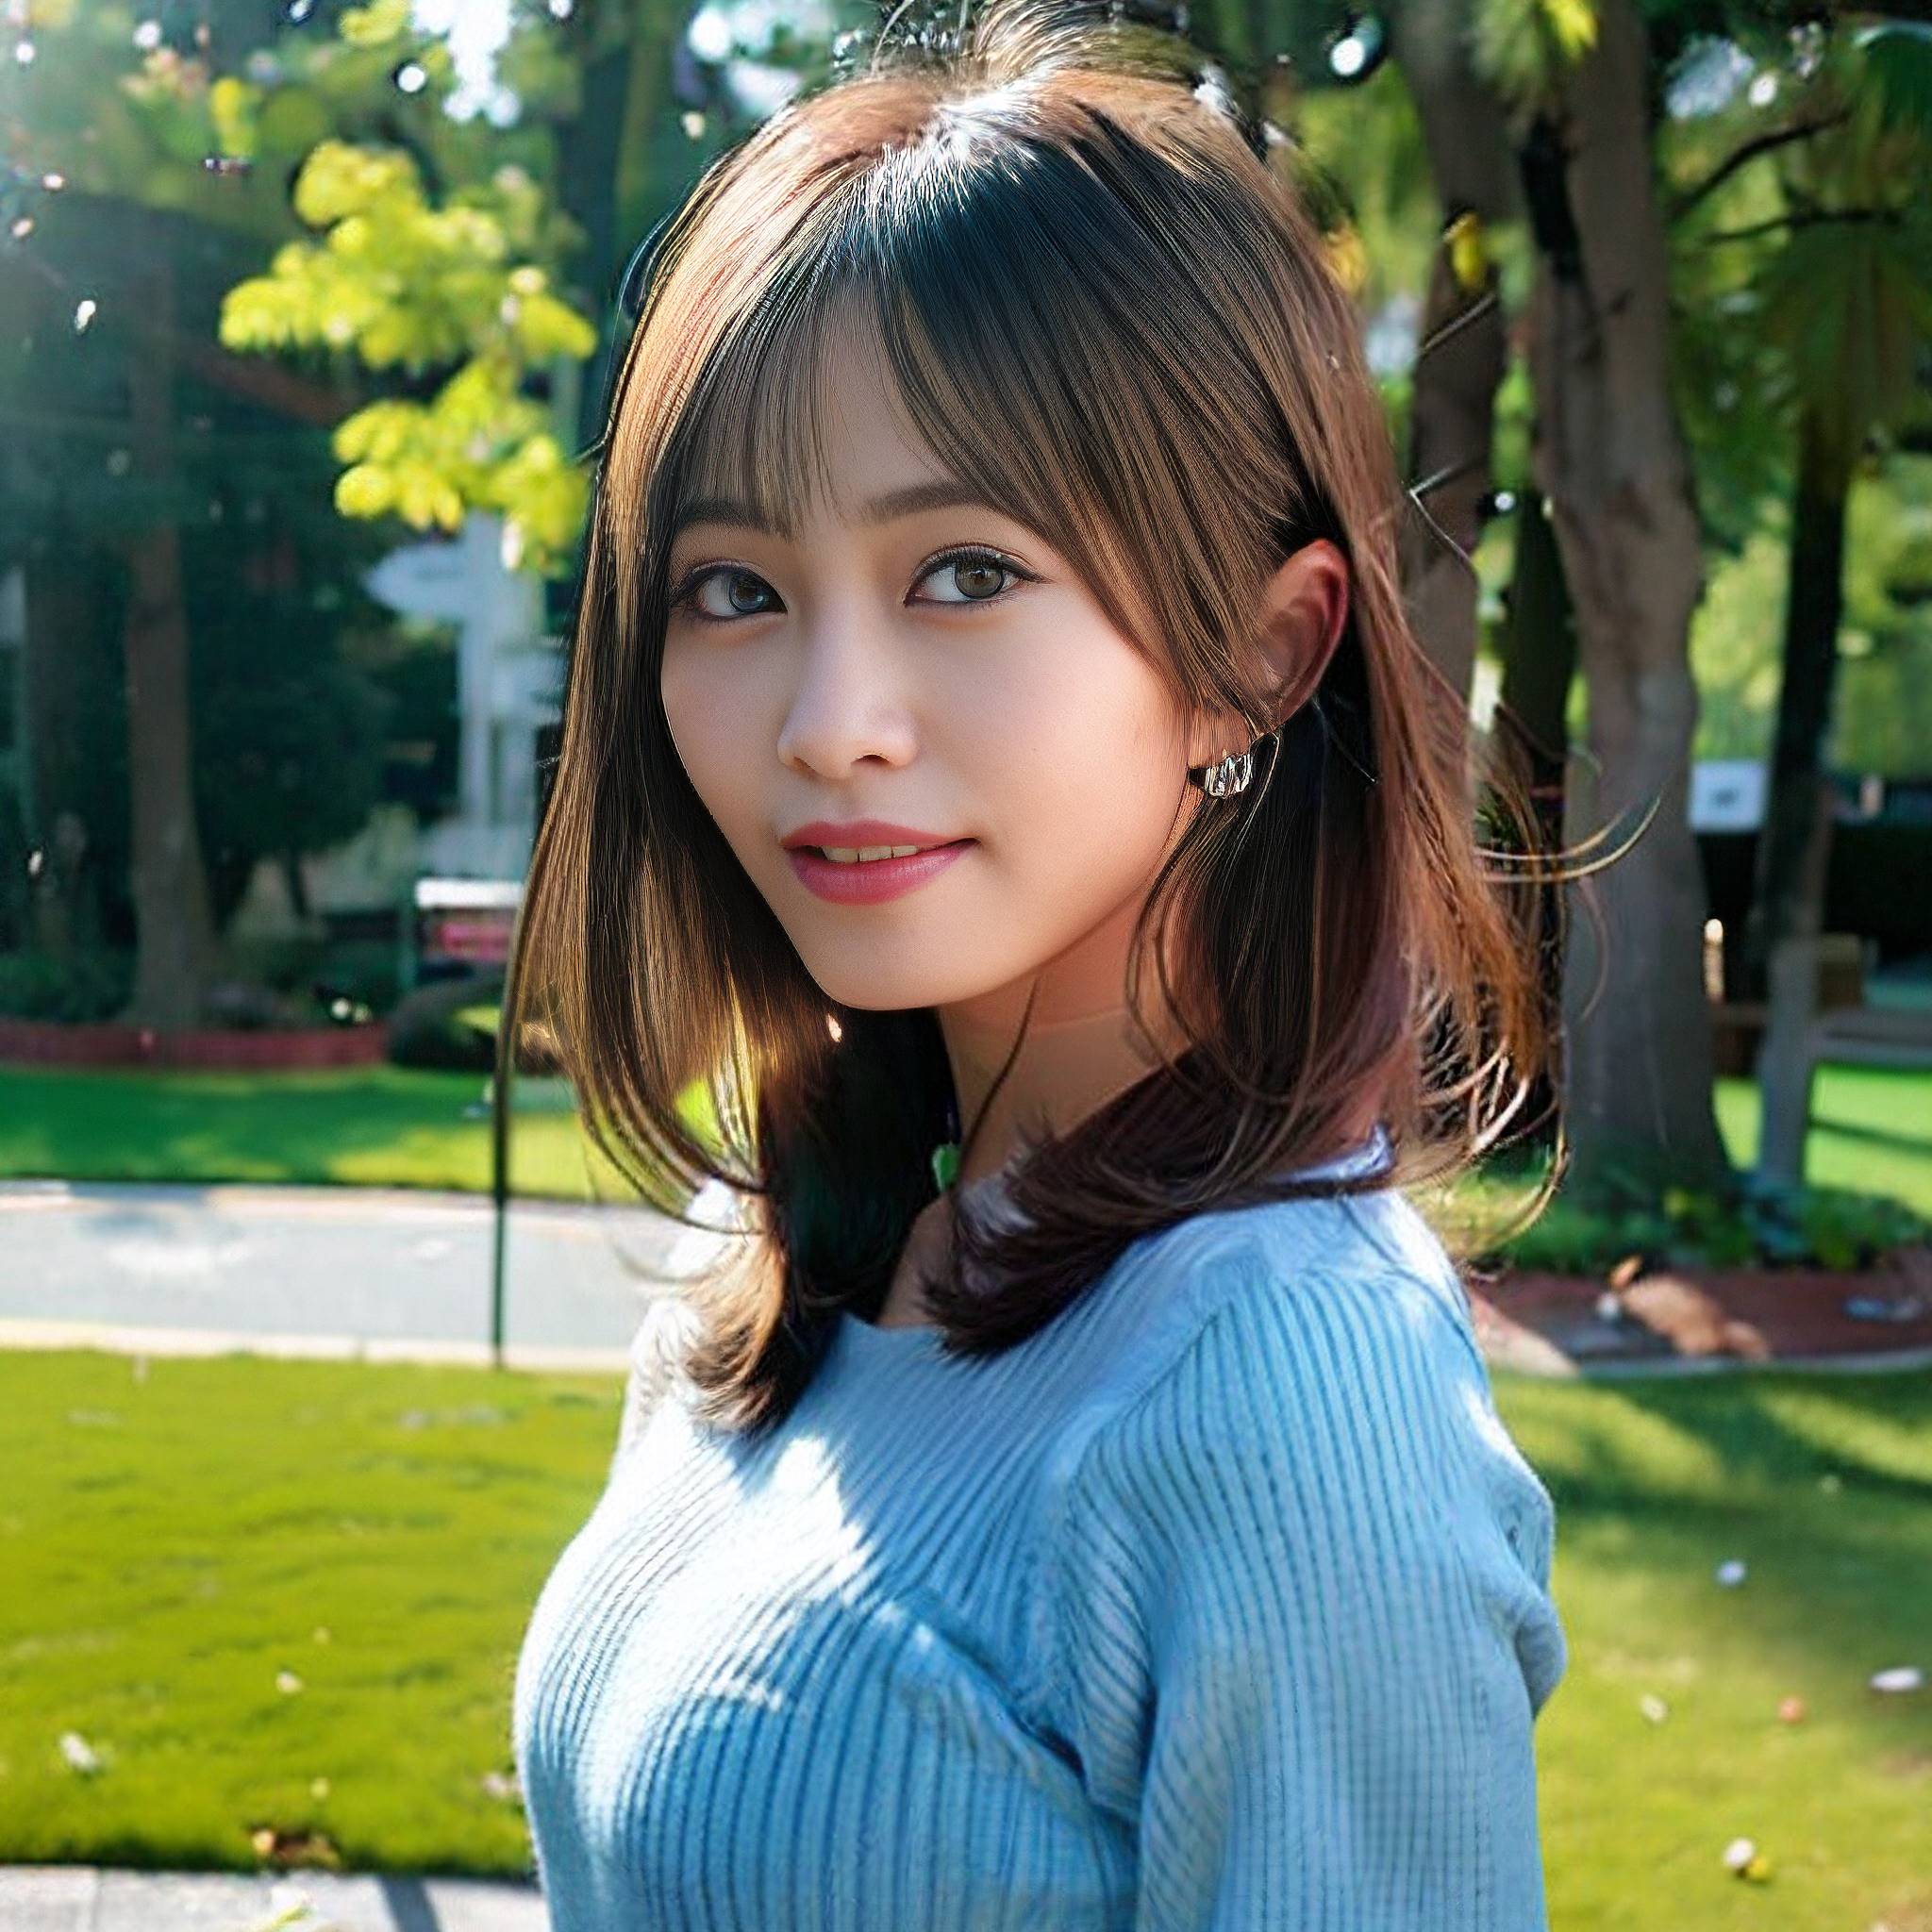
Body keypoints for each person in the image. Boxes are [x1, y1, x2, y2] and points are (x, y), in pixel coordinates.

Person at [508, 0, 1571, 1923]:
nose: (829, 723)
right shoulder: (790, 1249)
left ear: (1262, 652)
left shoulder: (1281, 1396)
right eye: (735, 589)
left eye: (966, 573)